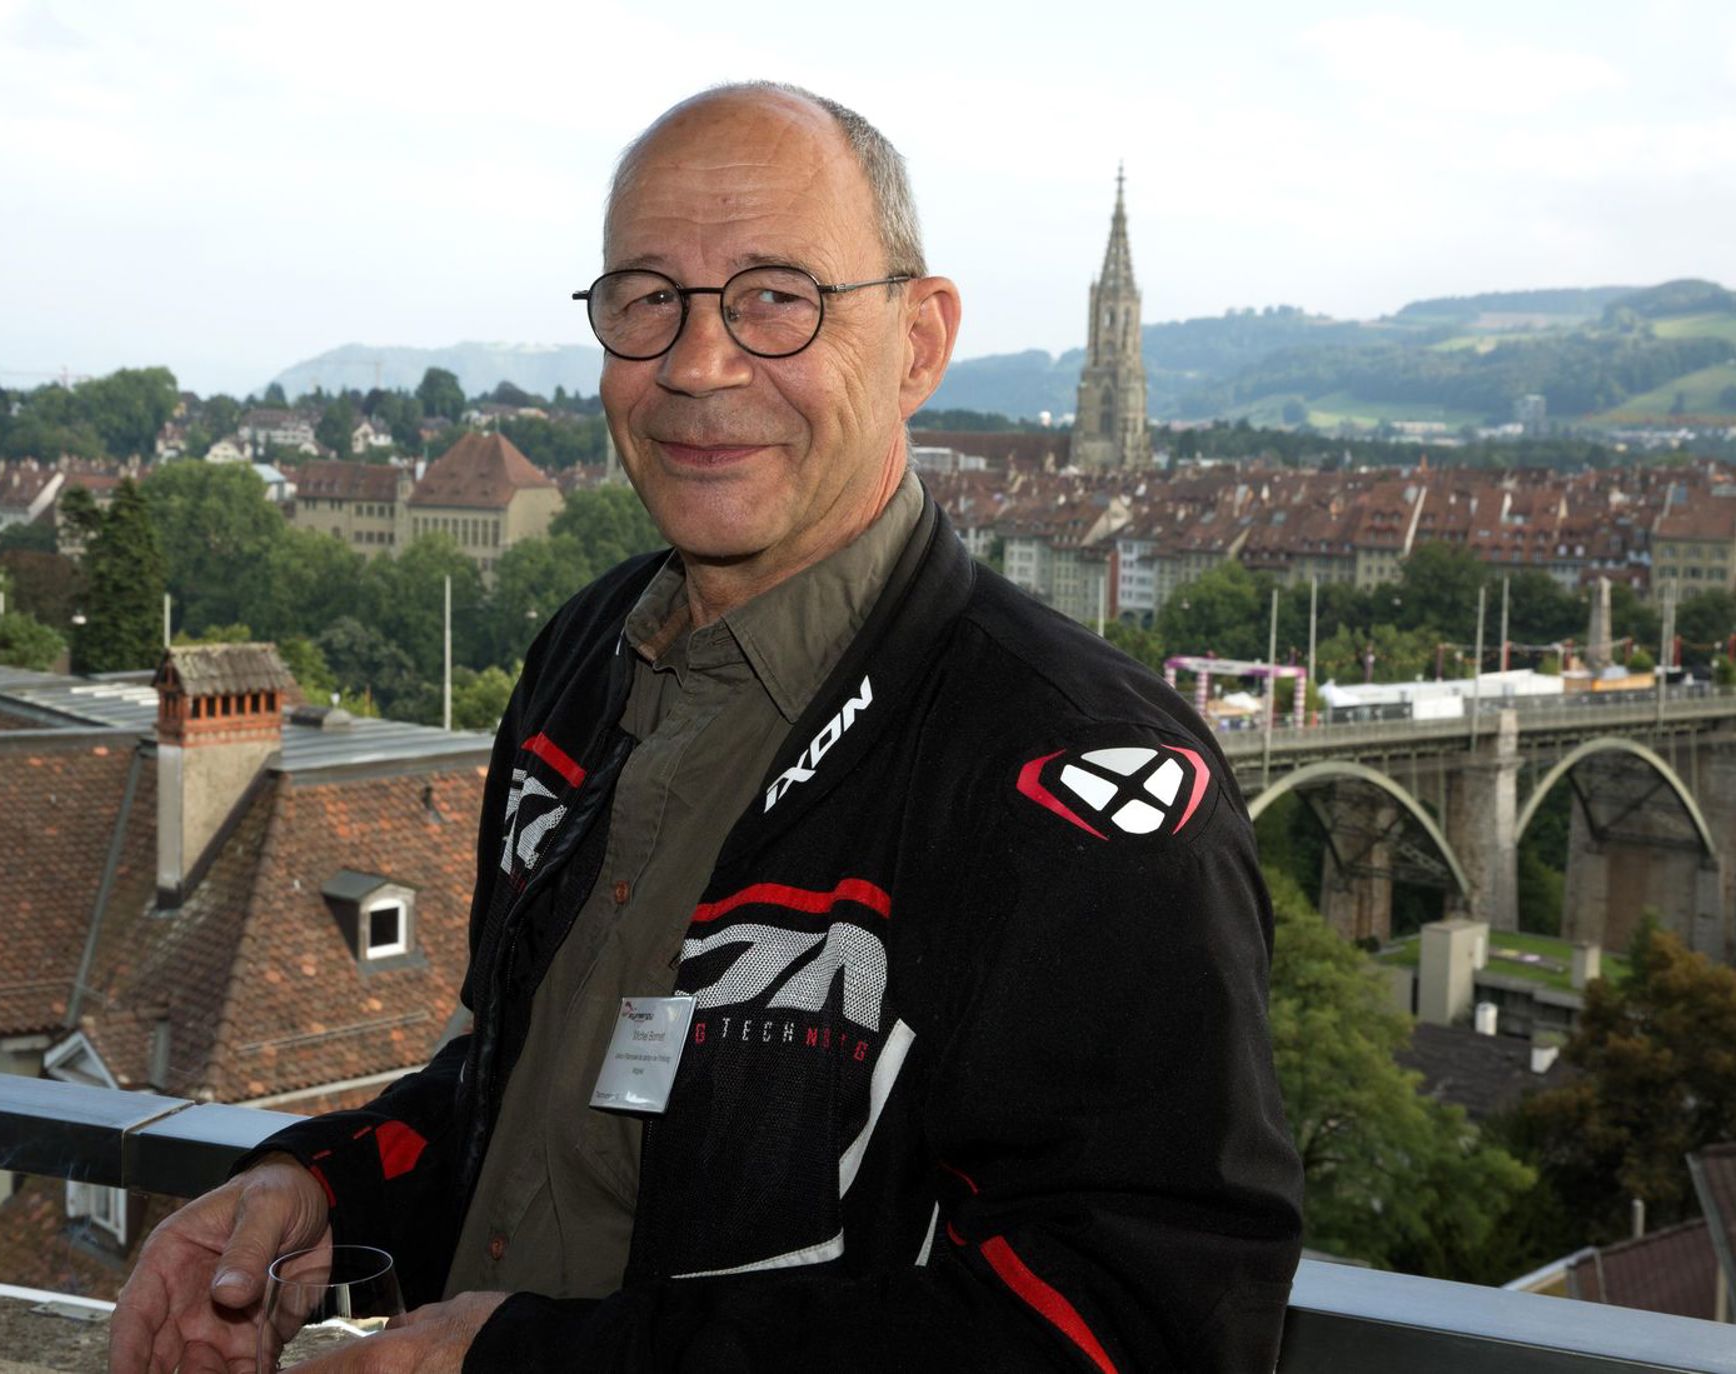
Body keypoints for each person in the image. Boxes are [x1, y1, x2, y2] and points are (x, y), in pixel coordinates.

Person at [111, 82, 1303, 1374]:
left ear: (917, 342)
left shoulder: (1075, 781)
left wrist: (538, 1364)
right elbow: (530, 1092)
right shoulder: (583, 662)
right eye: (647, 299)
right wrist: (325, 1187)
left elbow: (1137, 1325)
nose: (697, 363)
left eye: (776, 296)